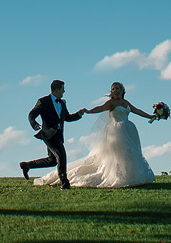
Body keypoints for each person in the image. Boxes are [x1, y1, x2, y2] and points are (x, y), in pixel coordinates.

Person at [28, 80, 159, 188]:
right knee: (117, 154)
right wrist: (88, 111)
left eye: (117, 88)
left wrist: (151, 116)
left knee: (131, 152)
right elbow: (100, 108)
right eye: (113, 89)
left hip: (129, 129)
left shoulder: (126, 103)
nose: (115, 90)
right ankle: (66, 181)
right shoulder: (111, 103)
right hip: (116, 131)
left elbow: (137, 110)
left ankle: (131, 176)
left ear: (122, 90)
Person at [20, 80, 83, 186]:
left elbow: (67, 117)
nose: (64, 91)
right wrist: (34, 124)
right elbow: (31, 114)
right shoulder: (43, 101)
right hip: (48, 134)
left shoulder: (62, 103)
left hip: (58, 135)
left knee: (52, 160)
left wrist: (79, 114)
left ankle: (27, 165)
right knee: (61, 156)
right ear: (57, 89)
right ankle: (64, 182)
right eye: (63, 89)